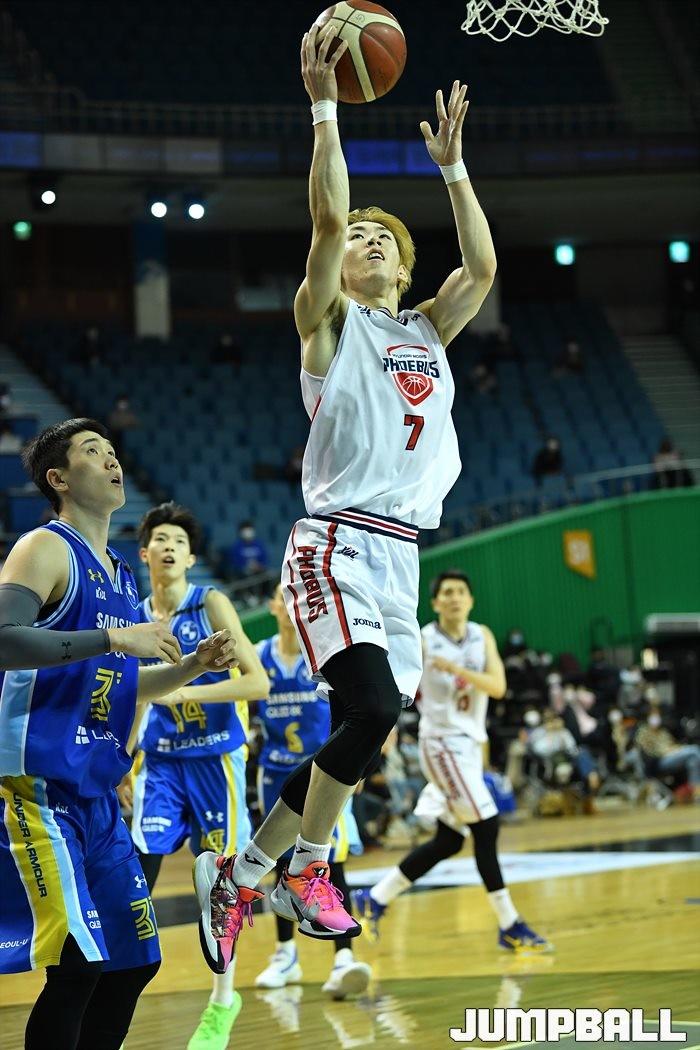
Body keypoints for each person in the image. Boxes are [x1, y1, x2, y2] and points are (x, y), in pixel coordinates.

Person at [194, 22, 496, 971]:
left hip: (401, 556)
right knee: (366, 709)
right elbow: (325, 222)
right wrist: (326, 107)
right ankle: (309, 868)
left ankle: (246, 872)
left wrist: (454, 171)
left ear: (402, 268)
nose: (362, 240)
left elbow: (482, 270)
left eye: (380, 240)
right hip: (335, 541)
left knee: (368, 725)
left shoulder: (427, 331)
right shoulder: (328, 323)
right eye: (358, 235)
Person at [0, 419, 236, 1050]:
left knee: (134, 964)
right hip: (37, 788)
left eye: (112, 451)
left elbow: (126, 682)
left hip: (98, 796)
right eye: (92, 452)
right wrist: (114, 637)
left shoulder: (121, 576)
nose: (112, 461)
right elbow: (3, 640)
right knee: (76, 967)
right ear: (58, 478)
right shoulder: (44, 547)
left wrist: (190, 668)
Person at [121, 502, 270, 1050]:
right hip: (160, 762)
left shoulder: (210, 604)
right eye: (160, 539)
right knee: (136, 870)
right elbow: (134, 695)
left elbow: (257, 684)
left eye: (179, 542)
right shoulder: (133, 615)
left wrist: (186, 690)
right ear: (145, 553)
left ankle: (222, 1000)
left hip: (215, 760)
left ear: (189, 558)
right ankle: (116, 987)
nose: (169, 547)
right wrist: (122, 760)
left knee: (220, 889)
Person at [352, 571, 551, 951]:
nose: (454, 597)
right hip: (441, 743)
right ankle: (510, 924)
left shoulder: (482, 635)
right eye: (446, 592)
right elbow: (396, 686)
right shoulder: (423, 639)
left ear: (470, 600)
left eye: (461, 591)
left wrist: (457, 670)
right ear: (436, 602)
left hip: (471, 745)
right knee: (486, 827)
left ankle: (375, 897)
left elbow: (498, 687)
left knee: (449, 841)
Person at [253, 584, 370, 998]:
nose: (287, 605)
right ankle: (285, 954)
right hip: (275, 772)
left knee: (331, 862)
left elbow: (351, 710)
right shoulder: (258, 655)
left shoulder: (323, 652)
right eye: (280, 598)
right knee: (278, 861)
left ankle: (344, 958)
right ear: (273, 606)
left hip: (325, 775)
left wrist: (356, 764)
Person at [634, 707, 700, 798]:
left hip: (672, 756)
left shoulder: (662, 732)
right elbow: (647, 753)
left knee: (693, 760)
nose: (656, 718)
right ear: (647, 717)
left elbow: (672, 744)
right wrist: (667, 752)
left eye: (657, 715)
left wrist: (676, 749)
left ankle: (696, 792)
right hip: (659, 761)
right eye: (653, 716)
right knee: (694, 750)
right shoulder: (643, 732)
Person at [107, 393, 140, 460]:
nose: (122, 405)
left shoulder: (130, 415)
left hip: (129, 441)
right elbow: (112, 426)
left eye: (124, 402)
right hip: (117, 441)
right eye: (121, 402)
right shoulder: (113, 415)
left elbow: (137, 425)